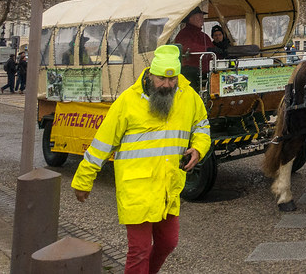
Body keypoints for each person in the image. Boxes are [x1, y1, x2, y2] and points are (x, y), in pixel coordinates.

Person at [71, 45, 210, 274]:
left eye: (172, 79)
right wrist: (83, 180)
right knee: (139, 251)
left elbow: (202, 125)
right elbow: (101, 145)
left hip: (167, 187)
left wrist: (198, 148)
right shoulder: (127, 101)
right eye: (161, 79)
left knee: (168, 243)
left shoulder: (188, 96)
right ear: (149, 74)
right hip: (136, 189)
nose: (167, 85)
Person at [174, 6, 214, 91]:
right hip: (192, 73)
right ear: (191, 18)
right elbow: (188, 47)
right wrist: (207, 50)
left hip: (207, 72)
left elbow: (213, 49)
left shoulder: (204, 36)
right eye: (200, 17)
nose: (202, 20)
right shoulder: (183, 34)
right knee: (190, 72)